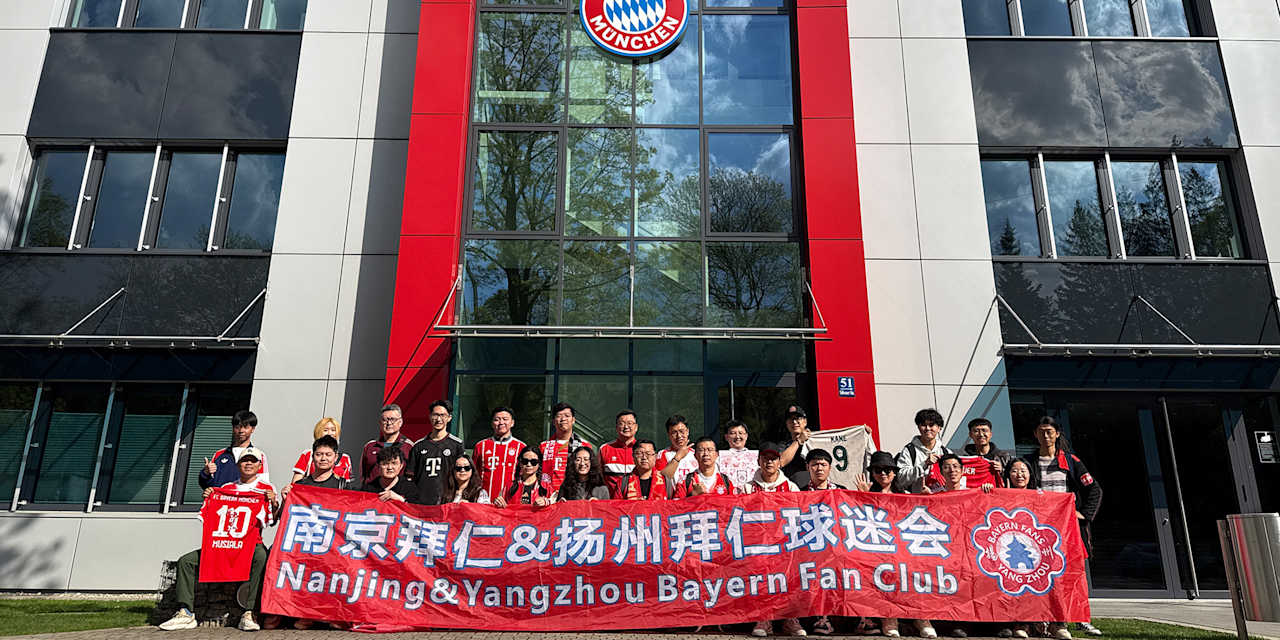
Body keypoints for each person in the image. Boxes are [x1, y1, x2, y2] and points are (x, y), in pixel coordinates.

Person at [160, 447, 277, 632]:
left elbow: (272, 520)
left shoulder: (266, 490)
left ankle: (249, 612)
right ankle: (186, 612)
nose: (248, 464)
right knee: (186, 562)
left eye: (252, 461)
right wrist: (209, 497)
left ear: (259, 465)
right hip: (222, 543)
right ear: (238, 464)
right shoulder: (224, 489)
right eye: (244, 460)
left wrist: (274, 502)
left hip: (250, 544)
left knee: (262, 557)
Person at [1024, 417, 1102, 637]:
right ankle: (1045, 620)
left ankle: (1081, 618)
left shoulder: (1071, 461)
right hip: (1038, 529)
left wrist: (1084, 514)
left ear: (1057, 434)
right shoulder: (1028, 461)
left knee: (1074, 574)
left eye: (1049, 431)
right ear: (1035, 435)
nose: (1045, 436)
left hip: (1068, 530)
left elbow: (1094, 490)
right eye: (1041, 432)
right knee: (1041, 574)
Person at [852, 451, 934, 639]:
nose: (883, 474)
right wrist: (861, 497)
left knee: (916, 574)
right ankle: (889, 618)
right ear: (872, 473)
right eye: (878, 470)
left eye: (888, 470)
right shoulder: (863, 494)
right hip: (875, 550)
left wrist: (925, 500)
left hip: (903, 550)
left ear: (895, 473)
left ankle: (921, 617)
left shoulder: (905, 496)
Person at [998, 459, 1064, 640]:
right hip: (1007, 552)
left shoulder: (1041, 495)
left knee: (1048, 585)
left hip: (1037, 551)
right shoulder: (1000, 496)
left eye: (1023, 470)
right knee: (1017, 587)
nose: (1019, 474)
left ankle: (1056, 625)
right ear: (1007, 475)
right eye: (1014, 470)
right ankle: (1022, 624)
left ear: (1030, 474)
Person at [798, 448, 842, 636]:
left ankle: (861, 619)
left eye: (823, 464)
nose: (819, 468)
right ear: (807, 467)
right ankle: (820, 617)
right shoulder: (798, 494)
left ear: (830, 468)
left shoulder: (841, 492)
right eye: (814, 464)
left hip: (837, 548)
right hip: (809, 548)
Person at [407, 400, 463, 505]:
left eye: (442, 415)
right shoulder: (418, 445)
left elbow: (462, 476)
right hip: (421, 502)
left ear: (449, 418)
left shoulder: (457, 445)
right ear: (430, 416)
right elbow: (410, 477)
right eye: (435, 415)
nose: (438, 419)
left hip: (446, 502)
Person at [199, 410, 270, 491]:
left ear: (253, 429)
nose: (241, 431)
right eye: (237, 427)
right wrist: (205, 473)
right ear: (233, 428)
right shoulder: (219, 454)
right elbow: (207, 485)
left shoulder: (259, 455)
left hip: (244, 502)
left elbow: (263, 486)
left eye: (246, 427)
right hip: (221, 501)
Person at [474, 406, 526, 503]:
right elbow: (473, 474)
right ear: (492, 423)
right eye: (497, 420)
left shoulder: (521, 447)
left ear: (512, 423)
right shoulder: (481, 446)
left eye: (505, 419)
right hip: (484, 502)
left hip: (511, 502)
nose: (501, 423)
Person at [895, 408, 953, 493]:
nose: (927, 428)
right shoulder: (909, 451)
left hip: (941, 501)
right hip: (917, 502)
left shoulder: (946, 452)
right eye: (923, 425)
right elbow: (900, 480)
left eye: (931, 425)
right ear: (918, 427)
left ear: (939, 428)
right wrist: (924, 464)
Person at [539, 402, 594, 492]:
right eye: (559, 416)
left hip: (575, 495)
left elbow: (592, 474)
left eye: (567, 416)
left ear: (573, 420)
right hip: (549, 497)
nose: (563, 419)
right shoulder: (544, 446)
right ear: (553, 421)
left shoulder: (584, 446)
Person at [360, 404, 414, 487]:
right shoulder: (370, 446)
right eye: (385, 420)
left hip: (397, 495)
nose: (388, 423)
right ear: (380, 423)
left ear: (400, 422)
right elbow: (363, 475)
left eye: (392, 419)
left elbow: (411, 476)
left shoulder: (409, 447)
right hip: (372, 494)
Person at [288, 417, 351, 486]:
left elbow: (346, 485)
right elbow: (296, 484)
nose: (329, 433)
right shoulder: (308, 454)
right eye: (325, 430)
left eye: (333, 430)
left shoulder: (345, 458)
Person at [674, 437, 738, 498]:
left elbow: (734, 505)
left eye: (710, 450)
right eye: (701, 450)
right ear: (695, 455)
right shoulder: (685, 481)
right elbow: (676, 506)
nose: (706, 454)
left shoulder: (726, 481)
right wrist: (693, 495)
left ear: (716, 454)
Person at [282, 436, 349, 495]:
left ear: (336, 457)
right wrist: (285, 500)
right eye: (319, 454)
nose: (323, 458)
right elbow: (289, 508)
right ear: (312, 457)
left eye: (328, 455)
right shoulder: (300, 485)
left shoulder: (342, 486)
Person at [762, 407, 813, 482]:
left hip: (813, 490)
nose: (794, 422)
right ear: (787, 424)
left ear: (805, 421)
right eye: (791, 419)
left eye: (798, 418)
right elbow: (781, 462)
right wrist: (798, 441)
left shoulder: (815, 441)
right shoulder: (782, 445)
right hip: (791, 488)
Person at [600, 409, 639, 497]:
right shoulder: (605, 449)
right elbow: (597, 477)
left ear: (636, 427)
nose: (626, 427)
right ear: (616, 427)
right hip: (611, 504)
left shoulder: (643, 449)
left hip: (636, 504)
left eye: (630, 423)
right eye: (622, 423)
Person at [656, 414, 697, 485]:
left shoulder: (696, 454)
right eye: (674, 432)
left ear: (687, 431)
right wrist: (678, 456)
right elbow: (662, 478)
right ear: (669, 435)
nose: (679, 436)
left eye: (681, 431)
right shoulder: (663, 454)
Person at [718, 419, 759, 489]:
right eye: (733, 433)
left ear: (746, 436)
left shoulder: (757, 456)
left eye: (740, 433)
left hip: (752, 497)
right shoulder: (719, 457)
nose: (737, 437)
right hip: (728, 497)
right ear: (726, 437)